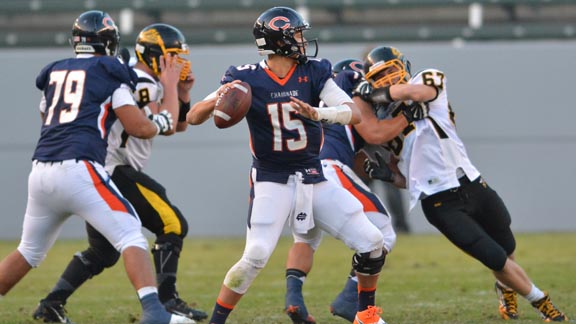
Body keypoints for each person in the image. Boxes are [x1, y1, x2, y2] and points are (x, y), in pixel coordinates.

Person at [187, 6, 388, 324]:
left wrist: (318, 114)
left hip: (313, 175)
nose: (302, 41)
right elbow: (193, 116)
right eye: (296, 34)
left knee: (373, 242)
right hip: (271, 179)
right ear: (277, 40)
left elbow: (354, 113)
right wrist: (219, 98)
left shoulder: (314, 71)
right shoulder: (245, 78)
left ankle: (366, 315)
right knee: (254, 257)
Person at [0, 10, 193, 324]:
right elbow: (141, 127)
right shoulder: (111, 71)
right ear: (110, 42)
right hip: (80, 168)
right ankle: (157, 312)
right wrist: (159, 119)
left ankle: (53, 302)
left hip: (41, 171)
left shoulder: (57, 72)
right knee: (131, 236)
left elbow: (47, 117)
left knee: (29, 251)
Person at [360, 45, 569, 322]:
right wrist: (390, 177)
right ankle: (545, 306)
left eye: (389, 71)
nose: (387, 80)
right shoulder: (385, 122)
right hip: (438, 202)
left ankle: (506, 287)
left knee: (506, 246)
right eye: (380, 76)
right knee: (494, 257)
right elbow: (410, 179)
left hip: (470, 182)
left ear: (403, 66)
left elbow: (420, 93)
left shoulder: (424, 79)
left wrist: (378, 93)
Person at [283, 58, 428, 323]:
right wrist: (406, 115)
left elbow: (363, 150)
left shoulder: (319, 105)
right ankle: (353, 301)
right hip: (328, 169)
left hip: (297, 173)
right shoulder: (348, 85)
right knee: (383, 232)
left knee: (305, 240)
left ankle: (294, 300)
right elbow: (373, 133)